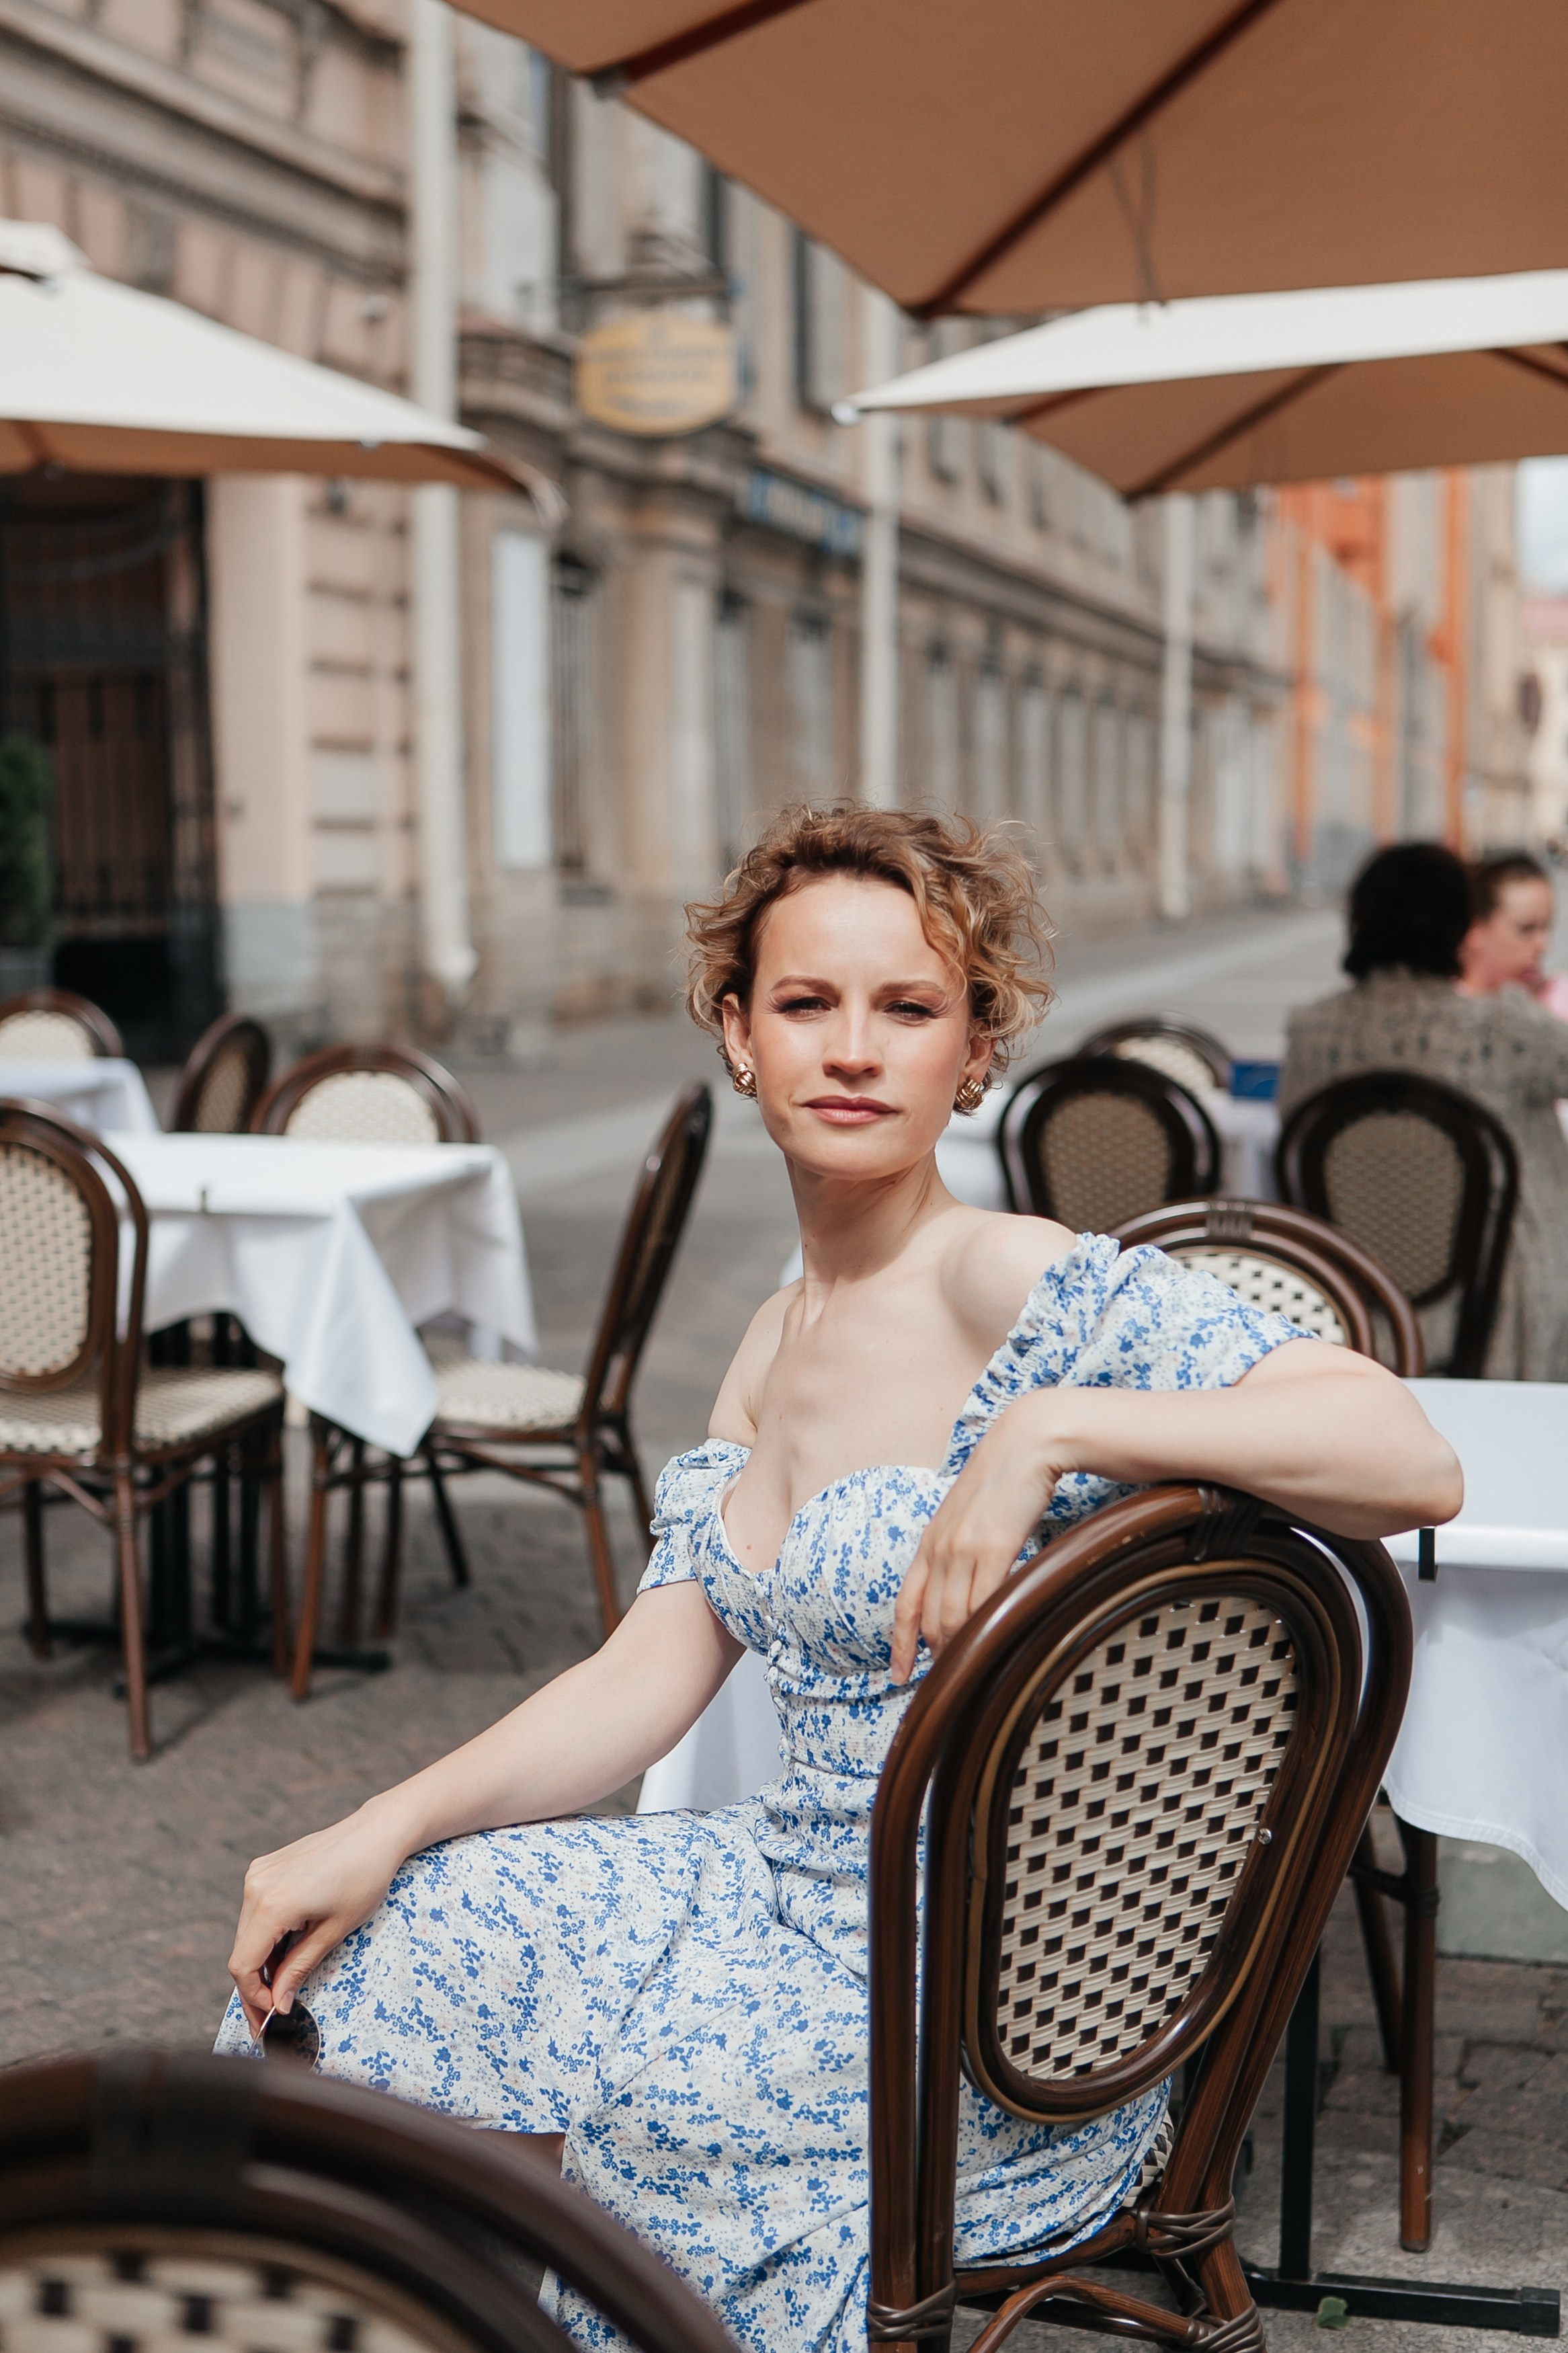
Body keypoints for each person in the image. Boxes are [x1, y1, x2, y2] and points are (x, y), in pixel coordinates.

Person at [220, 807, 1457, 2353]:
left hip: (986, 2007)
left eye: (909, 1008)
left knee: (622, 2114)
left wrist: (1046, 1425)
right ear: (738, 1037)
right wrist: (375, 1821)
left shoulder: (1002, 1276)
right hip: (780, 1899)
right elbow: (642, 1680)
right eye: (806, 1004)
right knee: (371, 1949)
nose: (853, 1051)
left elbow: (1403, 1453)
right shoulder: (767, 1342)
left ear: (974, 1047)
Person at [1281, 840, 1568, 1379]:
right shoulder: (1504, 1026)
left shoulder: (1310, 1030)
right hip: (1494, 1290)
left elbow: (1292, 1133)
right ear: (1462, 924)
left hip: (1351, 1283)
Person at [1459, 850, 1568, 1021]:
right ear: (1476, 929)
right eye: (1527, 929)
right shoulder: (1434, 1011)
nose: (1543, 945)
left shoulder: (1560, 1000)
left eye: (1546, 927)